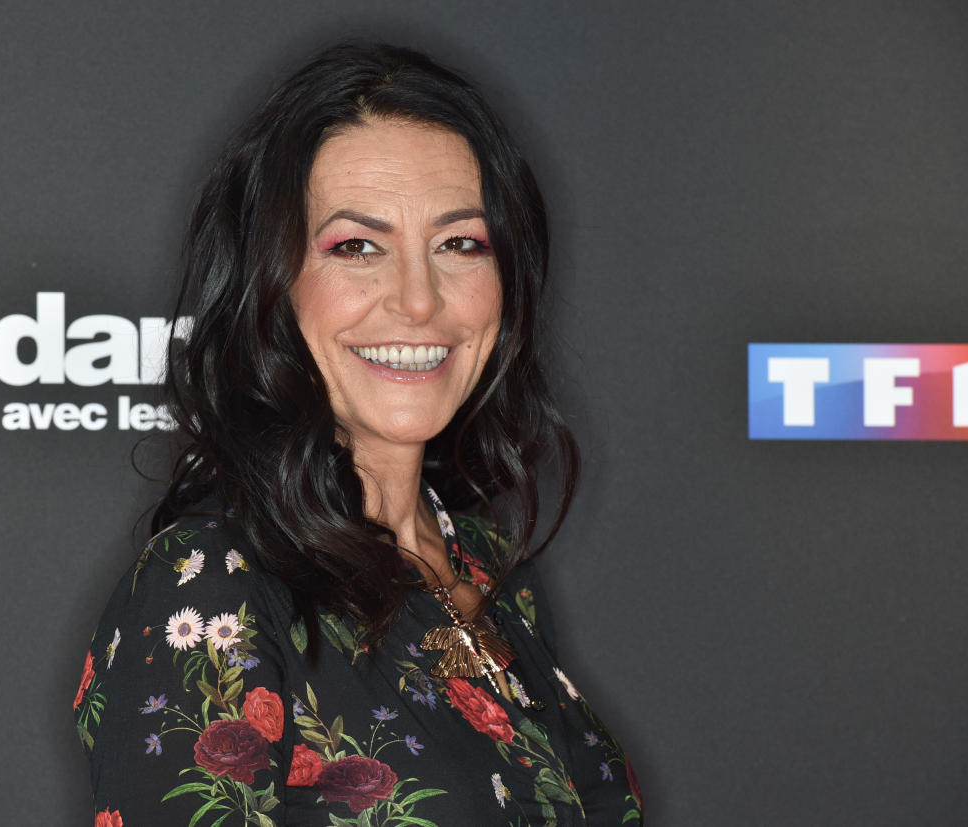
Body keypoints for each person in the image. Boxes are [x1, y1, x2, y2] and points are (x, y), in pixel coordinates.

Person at [74, 43, 643, 826]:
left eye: (459, 244)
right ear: (273, 284)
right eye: (357, 247)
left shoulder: (484, 561)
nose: (418, 300)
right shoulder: (209, 585)